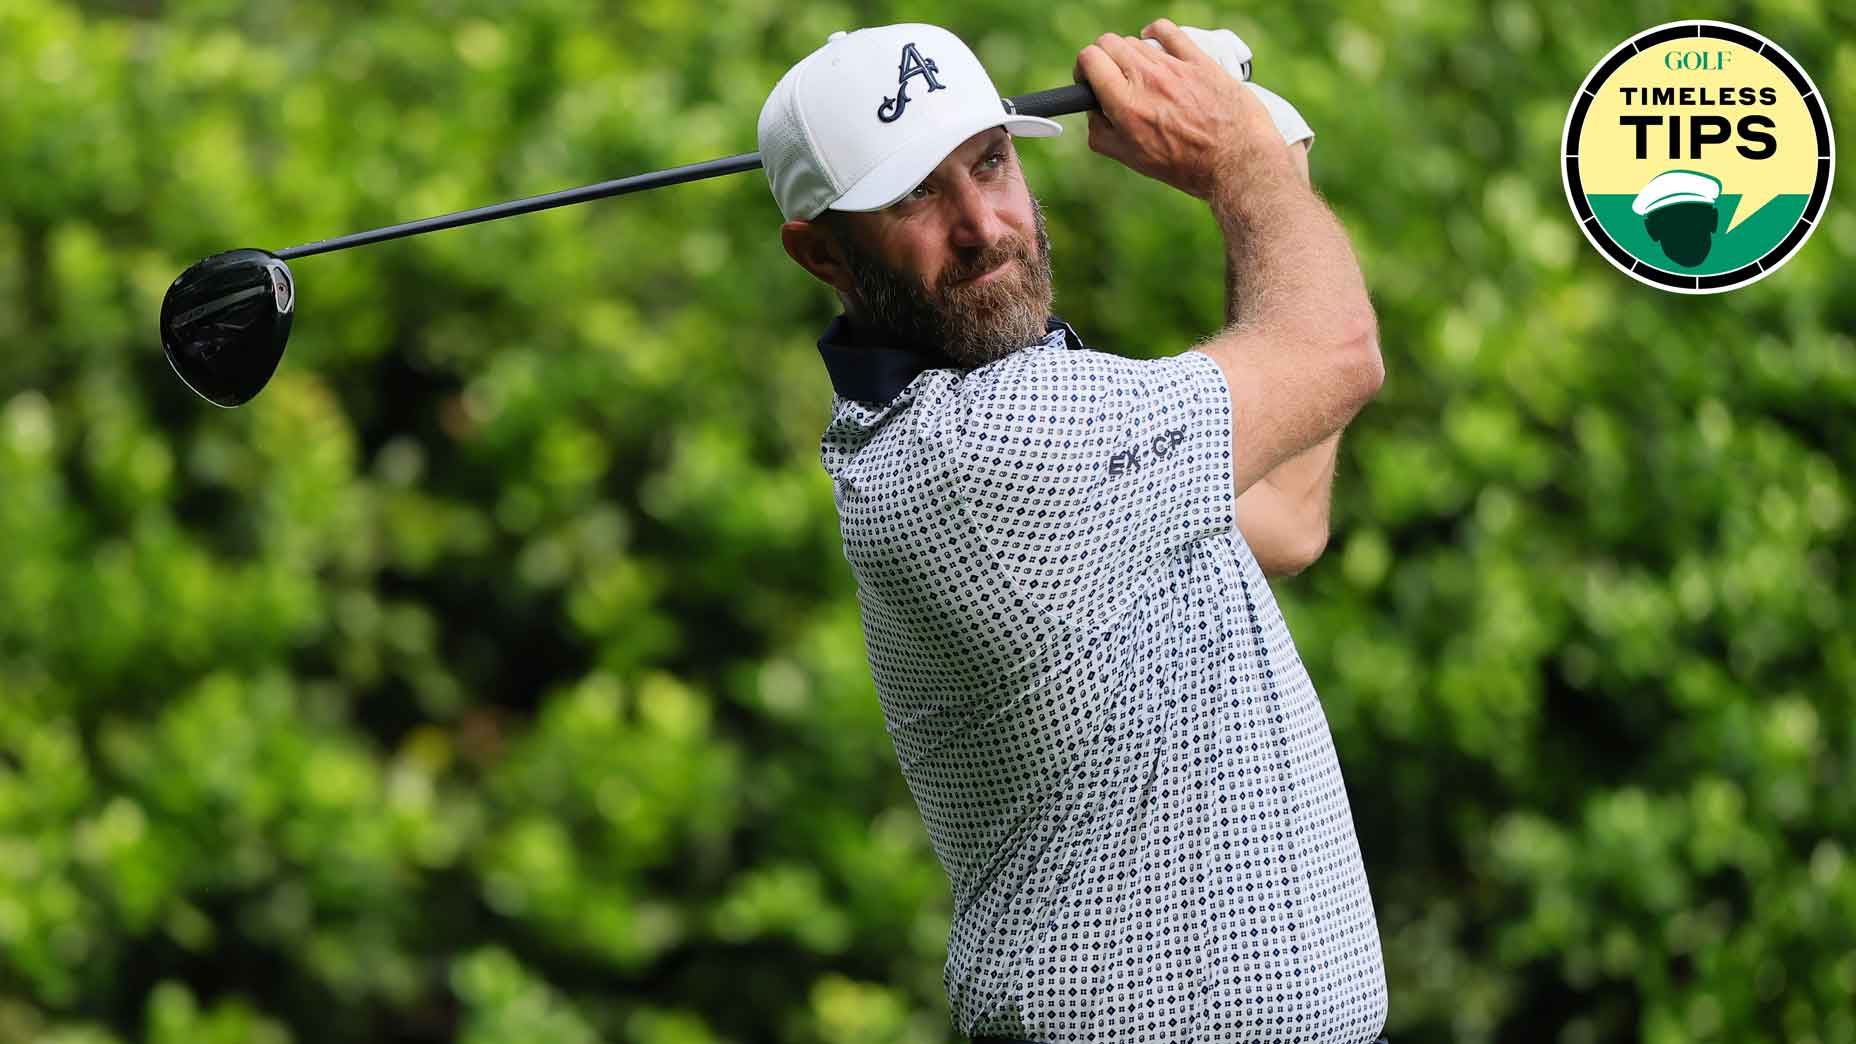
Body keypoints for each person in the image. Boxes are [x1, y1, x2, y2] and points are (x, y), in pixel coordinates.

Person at [759, 19, 1388, 1043]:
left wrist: (1277, 163)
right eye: (915, 194)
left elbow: (1281, 519)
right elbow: (1333, 352)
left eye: (990, 162)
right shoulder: (987, 446)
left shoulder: (1034, 427)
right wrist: (1241, 161)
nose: (982, 224)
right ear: (820, 251)